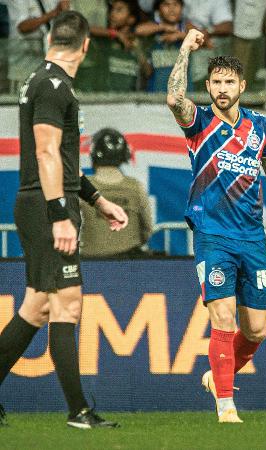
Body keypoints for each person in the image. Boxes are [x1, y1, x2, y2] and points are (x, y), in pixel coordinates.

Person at [166, 29, 266, 423]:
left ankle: (217, 376)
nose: (222, 89)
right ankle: (226, 406)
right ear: (208, 86)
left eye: (229, 82)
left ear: (242, 85)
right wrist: (186, 49)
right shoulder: (199, 123)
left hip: (252, 237)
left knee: (257, 330)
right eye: (216, 83)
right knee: (222, 317)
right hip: (212, 235)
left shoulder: (261, 127)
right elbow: (174, 97)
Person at [0, 11, 128, 428]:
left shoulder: (42, 80)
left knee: (37, 307)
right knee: (67, 304)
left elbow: (63, 161)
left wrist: (97, 201)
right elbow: (47, 153)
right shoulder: (55, 86)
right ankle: (79, 412)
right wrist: (60, 216)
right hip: (46, 206)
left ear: (52, 38)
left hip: (42, 201)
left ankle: (78, 410)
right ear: (87, 46)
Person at [80, 128, 153, 258]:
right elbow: (147, 228)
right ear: (124, 155)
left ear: (93, 154)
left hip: (91, 263)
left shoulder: (83, 187)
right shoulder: (135, 187)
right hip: (130, 263)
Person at [6, 0, 69, 93]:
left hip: (48, 66)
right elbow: (22, 27)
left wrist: (66, 12)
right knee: (23, 104)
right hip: (23, 67)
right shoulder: (19, 1)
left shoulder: (52, 1)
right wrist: (53, 13)